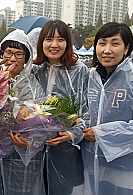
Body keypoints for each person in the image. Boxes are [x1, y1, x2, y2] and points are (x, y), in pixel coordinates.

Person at [82, 22, 133, 195]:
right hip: (93, 165)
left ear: (126, 48)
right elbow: (88, 113)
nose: (107, 50)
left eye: (115, 43)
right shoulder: (93, 75)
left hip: (129, 168)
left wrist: (102, 133)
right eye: (102, 43)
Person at [0, 30, 44, 195]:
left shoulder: (33, 85)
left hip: (19, 152)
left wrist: (30, 141)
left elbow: (42, 119)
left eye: (19, 54)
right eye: (9, 52)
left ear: (26, 58)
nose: (13, 58)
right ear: (1, 54)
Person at [32, 20, 89, 195]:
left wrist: (72, 133)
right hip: (34, 151)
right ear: (41, 42)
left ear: (68, 43)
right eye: (49, 39)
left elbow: (87, 113)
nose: (54, 45)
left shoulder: (80, 71)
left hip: (65, 151)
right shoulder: (35, 70)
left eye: (61, 39)